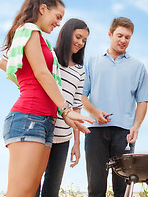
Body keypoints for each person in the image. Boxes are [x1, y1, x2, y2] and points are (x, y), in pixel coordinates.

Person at [1, 0, 94, 197]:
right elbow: (43, 74)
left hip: (45, 122)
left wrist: (65, 116)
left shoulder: (39, 39)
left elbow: (26, 75)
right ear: (43, 9)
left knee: (29, 193)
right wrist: (66, 110)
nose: (59, 22)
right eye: (57, 16)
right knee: (20, 193)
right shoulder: (29, 30)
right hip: (29, 118)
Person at [82, 17, 148, 197]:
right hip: (95, 131)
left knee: (123, 188)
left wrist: (136, 126)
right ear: (110, 34)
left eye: (127, 37)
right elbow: (81, 95)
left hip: (125, 133)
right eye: (119, 35)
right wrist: (95, 112)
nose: (123, 40)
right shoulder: (92, 62)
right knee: (96, 187)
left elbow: (142, 101)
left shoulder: (138, 67)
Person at [35, 18, 90, 197]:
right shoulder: (49, 57)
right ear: (67, 33)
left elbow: (76, 107)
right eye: (78, 37)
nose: (80, 43)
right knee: (32, 184)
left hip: (63, 137)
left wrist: (76, 143)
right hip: (40, 130)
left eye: (84, 40)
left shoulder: (80, 70)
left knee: (52, 189)